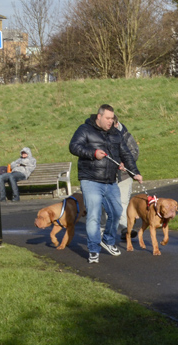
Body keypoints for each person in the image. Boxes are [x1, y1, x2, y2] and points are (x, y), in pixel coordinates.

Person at [69, 104, 143, 263]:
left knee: (117, 212)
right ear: (99, 117)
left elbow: (126, 153)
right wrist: (93, 153)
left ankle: (108, 240)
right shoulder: (84, 129)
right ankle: (93, 250)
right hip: (90, 180)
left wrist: (134, 172)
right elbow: (74, 146)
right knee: (94, 216)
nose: (111, 121)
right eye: (108, 118)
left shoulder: (116, 133)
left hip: (110, 180)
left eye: (112, 118)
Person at [103, 117, 140, 240]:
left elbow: (134, 152)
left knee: (123, 202)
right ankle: (109, 231)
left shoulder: (125, 135)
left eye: (111, 124)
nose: (108, 126)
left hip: (124, 175)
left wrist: (124, 162)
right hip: (108, 175)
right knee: (109, 203)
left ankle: (125, 228)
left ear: (116, 123)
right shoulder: (100, 134)